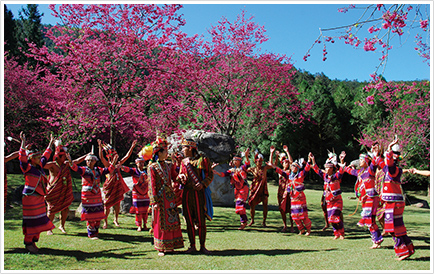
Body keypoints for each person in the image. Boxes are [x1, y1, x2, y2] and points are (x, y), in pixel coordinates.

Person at [372, 138, 415, 260]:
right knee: (398, 227)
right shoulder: (391, 170)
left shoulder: (392, 170)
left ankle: (403, 251)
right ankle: (409, 248)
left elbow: (388, 161)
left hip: (393, 204)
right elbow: (381, 162)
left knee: (393, 228)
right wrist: (376, 154)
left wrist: (390, 146)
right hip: (395, 203)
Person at [18, 132, 55, 253]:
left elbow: (46, 155)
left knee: (39, 219)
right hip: (30, 198)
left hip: (39, 198)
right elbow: (22, 158)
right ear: (31, 159)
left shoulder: (39, 167)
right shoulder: (27, 168)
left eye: (39, 158)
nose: (40, 159)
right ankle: (28, 242)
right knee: (32, 220)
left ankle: (34, 240)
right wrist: (23, 143)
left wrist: (50, 143)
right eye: (37, 158)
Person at [68, 148, 115, 240]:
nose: (89, 162)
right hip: (87, 196)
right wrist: (70, 161)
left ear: (95, 161)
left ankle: (96, 231)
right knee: (90, 215)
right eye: (88, 160)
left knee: (97, 214)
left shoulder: (98, 170)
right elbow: (74, 167)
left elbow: (108, 170)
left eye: (91, 160)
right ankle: (91, 233)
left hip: (96, 195)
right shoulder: (83, 170)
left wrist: (113, 162)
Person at [148, 136, 184, 256]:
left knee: (172, 219)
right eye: (165, 151)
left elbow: (175, 177)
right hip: (160, 198)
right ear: (159, 153)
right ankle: (161, 247)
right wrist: (154, 202)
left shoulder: (169, 165)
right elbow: (151, 185)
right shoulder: (152, 167)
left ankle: (171, 245)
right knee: (161, 221)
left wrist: (181, 177)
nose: (167, 153)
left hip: (170, 197)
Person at [178, 138, 214, 255]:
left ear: (190, 148)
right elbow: (180, 175)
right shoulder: (183, 162)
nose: (182, 150)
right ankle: (192, 245)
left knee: (201, 220)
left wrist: (203, 184)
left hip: (199, 194)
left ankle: (202, 246)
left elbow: (210, 175)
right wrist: (181, 177)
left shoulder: (203, 160)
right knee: (188, 220)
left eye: (184, 147)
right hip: (187, 193)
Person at [342, 152, 383, 248]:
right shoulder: (359, 172)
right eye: (359, 160)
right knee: (371, 221)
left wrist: (375, 154)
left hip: (371, 197)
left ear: (366, 161)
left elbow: (374, 163)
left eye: (362, 160)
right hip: (365, 198)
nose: (359, 162)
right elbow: (349, 171)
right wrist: (342, 163)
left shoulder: (370, 170)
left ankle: (376, 241)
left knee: (369, 219)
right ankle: (377, 240)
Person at [44, 140, 86, 235]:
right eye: (63, 156)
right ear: (58, 157)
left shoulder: (66, 164)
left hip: (64, 190)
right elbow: (41, 164)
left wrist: (86, 155)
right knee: (51, 210)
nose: (65, 158)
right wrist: (50, 145)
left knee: (65, 208)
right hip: (53, 190)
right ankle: (49, 228)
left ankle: (61, 226)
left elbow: (76, 161)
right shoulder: (52, 165)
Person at [268, 147, 312, 235]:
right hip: (293, 198)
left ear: (297, 168)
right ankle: (301, 229)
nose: (292, 167)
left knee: (302, 214)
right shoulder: (289, 175)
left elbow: (307, 169)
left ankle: (308, 229)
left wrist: (309, 160)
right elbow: (280, 171)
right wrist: (273, 166)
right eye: (292, 166)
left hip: (300, 197)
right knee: (294, 215)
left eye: (294, 166)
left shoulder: (300, 175)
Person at [98, 139, 136, 229]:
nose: (115, 157)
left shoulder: (118, 164)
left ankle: (116, 219)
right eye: (113, 155)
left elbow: (127, 156)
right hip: (109, 185)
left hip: (117, 185)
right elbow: (101, 157)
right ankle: (105, 221)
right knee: (107, 204)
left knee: (117, 203)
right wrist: (100, 147)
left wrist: (132, 147)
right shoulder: (108, 164)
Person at [310, 150, 345, 240]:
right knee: (330, 219)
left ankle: (342, 233)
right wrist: (313, 160)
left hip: (337, 200)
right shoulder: (325, 176)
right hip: (329, 201)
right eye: (325, 168)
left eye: (328, 168)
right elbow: (316, 169)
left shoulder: (336, 176)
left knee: (335, 217)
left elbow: (341, 171)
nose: (326, 169)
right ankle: (336, 233)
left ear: (332, 168)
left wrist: (341, 161)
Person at [213, 148, 250, 230]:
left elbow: (247, 164)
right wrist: (216, 172)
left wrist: (246, 156)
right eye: (233, 160)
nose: (234, 162)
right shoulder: (232, 170)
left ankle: (243, 222)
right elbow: (224, 174)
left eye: (235, 160)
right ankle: (244, 221)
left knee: (240, 206)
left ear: (239, 161)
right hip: (237, 190)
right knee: (238, 207)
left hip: (243, 189)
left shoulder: (242, 168)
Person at [121, 156, 150, 231]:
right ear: (136, 163)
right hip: (137, 193)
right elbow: (126, 169)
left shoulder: (146, 171)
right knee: (138, 209)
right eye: (139, 163)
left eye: (142, 163)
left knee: (145, 209)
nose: (141, 164)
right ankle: (139, 225)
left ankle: (145, 224)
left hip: (145, 192)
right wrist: (121, 166)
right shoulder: (134, 171)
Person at [246, 149, 272, 227]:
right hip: (255, 189)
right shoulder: (252, 169)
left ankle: (264, 221)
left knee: (265, 205)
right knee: (252, 205)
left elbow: (272, 165)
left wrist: (272, 153)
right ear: (255, 162)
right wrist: (247, 156)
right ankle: (252, 220)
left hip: (263, 190)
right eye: (259, 161)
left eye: (261, 161)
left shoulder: (264, 168)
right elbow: (245, 168)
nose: (260, 163)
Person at [272, 145, 294, 233]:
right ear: (282, 163)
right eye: (285, 162)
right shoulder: (280, 171)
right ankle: (285, 225)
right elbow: (273, 165)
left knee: (290, 209)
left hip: (289, 192)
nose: (287, 163)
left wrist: (287, 152)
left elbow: (292, 163)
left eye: (287, 162)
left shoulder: (290, 172)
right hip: (281, 192)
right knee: (282, 209)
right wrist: (274, 155)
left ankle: (292, 225)